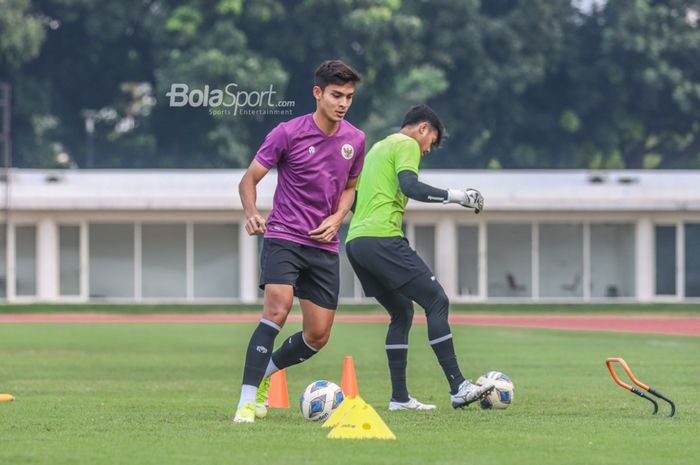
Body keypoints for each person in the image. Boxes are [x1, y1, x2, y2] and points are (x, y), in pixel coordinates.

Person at [234, 60, 365, 423]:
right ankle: (245, 402)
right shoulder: (287, 133)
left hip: (324, 245)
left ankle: (264, 376)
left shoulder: (356, 140)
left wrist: (338, 218)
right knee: (277, 309)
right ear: (317, 93)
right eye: (336, 95)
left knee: (317, 335)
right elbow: (249, 179)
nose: (343, 103)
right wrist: (251, 212)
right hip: (284, 236)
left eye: (349, 97)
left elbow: (351, 189)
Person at [345, 104, 492, 411]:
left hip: (357, 243)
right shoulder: (407, 143)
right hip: (382, 237)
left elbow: (355, 199)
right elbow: (410, 186)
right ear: (423, 128)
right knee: (437, 301)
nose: (426, 151)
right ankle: (458, 387)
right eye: (431, 143)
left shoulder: (377, 149)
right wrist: (459, 196)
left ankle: (399, 398)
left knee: (401, 312)